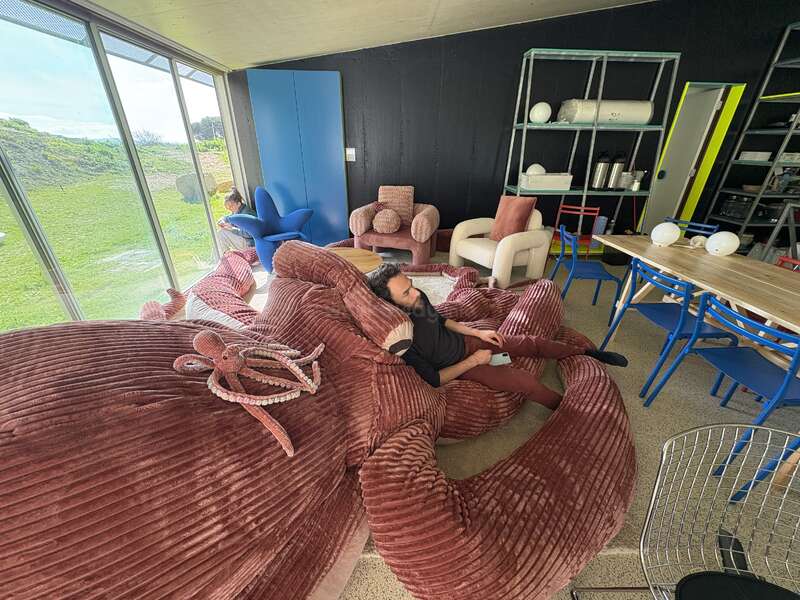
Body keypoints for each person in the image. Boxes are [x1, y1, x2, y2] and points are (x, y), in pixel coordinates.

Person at [367, 263, 628, 410]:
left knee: (531, 343)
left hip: (469, 341)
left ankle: (586, 352)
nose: (416, 293)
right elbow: (435, 379)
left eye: (411, 285)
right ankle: (571, 411)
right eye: (406, 293)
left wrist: (477, 331)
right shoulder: (401, 341)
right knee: (524, 382)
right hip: (463, 365)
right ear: (391, 304)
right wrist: (475, 361)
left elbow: (442, 320)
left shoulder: (419, 297)